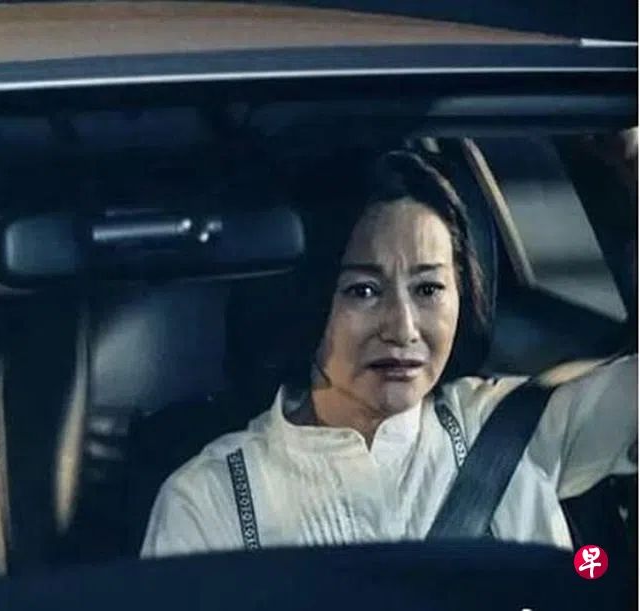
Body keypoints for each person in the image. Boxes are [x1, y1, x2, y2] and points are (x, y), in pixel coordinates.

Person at [141, 149, 637, 557]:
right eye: (363, 291)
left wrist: (628, 162)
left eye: (428, 289)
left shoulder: (514, 428)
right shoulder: (211, 501)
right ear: (307, 300)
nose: (402, 328)